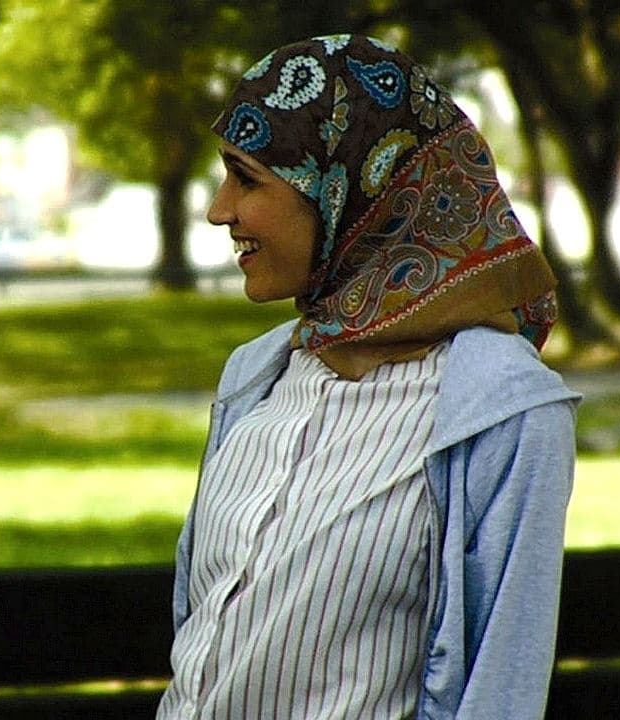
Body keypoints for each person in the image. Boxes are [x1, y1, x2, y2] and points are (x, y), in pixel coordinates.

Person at [159, 35, 580, 719]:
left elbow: (500, 687)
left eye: (247, 178)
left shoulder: (500, 409)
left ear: (347, 190)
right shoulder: (256, 376)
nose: (219, 209)